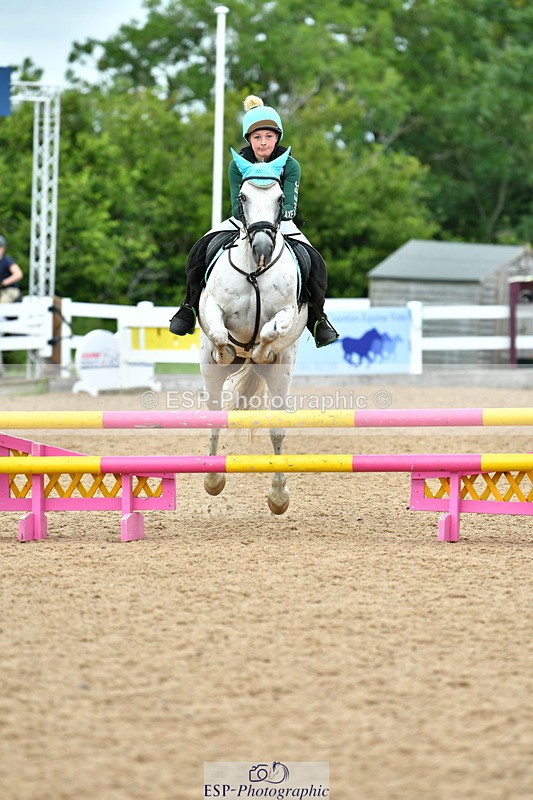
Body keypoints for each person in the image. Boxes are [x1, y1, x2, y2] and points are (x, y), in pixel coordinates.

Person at [169, 95, 339, 347]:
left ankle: (318, 318)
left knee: (313, 260)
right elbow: (236, 207)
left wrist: (273, 218)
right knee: (201, 249)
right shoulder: (237, 165)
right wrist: (255, 221)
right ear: (249, 139)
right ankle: (189, 307)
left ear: (277, 138)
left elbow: (290, 204)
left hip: (280, 222)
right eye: (257, 137)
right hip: (244, 221)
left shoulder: (290, 165)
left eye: (269, 137)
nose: (263, 143)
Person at [0, 235, 23, 303]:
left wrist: (3, 283)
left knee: (2, 304)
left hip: (9, 290)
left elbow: (18, 274)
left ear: (3, 249)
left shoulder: (7, 261)